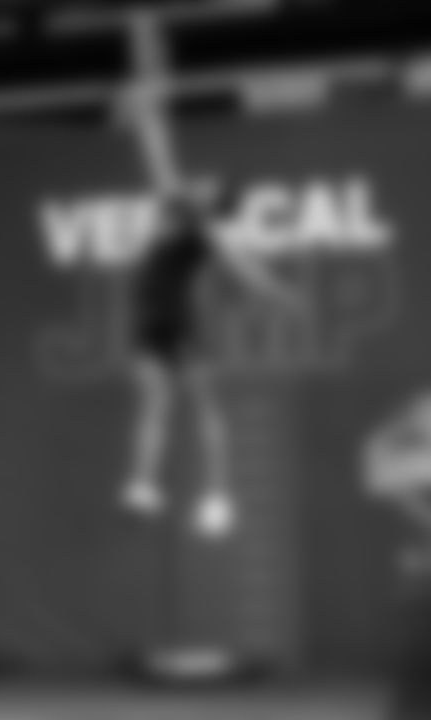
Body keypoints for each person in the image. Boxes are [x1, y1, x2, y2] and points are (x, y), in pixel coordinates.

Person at [117, 82, 302, 539]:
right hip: (154, 320)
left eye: (209, 186)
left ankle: (211, 496)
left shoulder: (203, 225)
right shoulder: (180, 208)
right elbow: (158, 155)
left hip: (169, 320)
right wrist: (146, 114)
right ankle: (151, 485)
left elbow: (245, 270)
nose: (200, 183)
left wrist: (279, 294)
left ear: (212, 202)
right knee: (165, 403)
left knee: (196, 405)